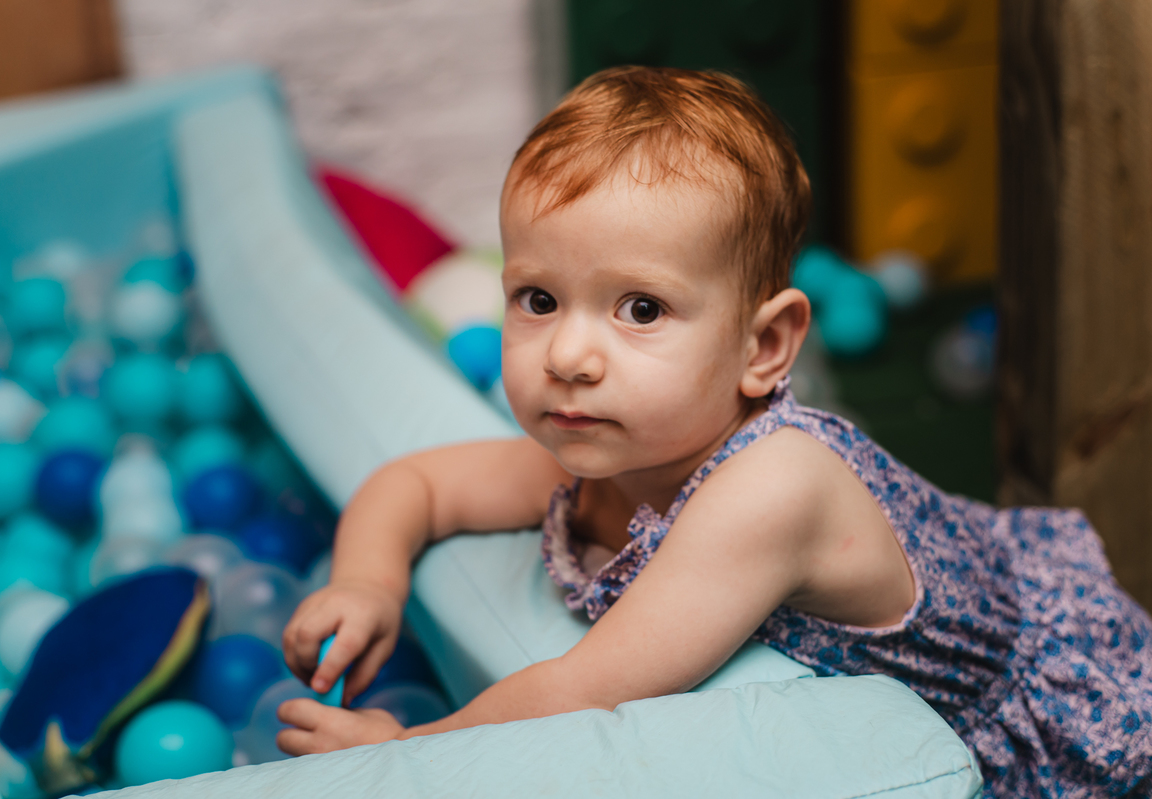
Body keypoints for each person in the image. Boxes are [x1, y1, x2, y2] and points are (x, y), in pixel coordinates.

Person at [276, 66, 1152, 797]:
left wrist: (405, 748)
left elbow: (583, 689)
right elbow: (417, 484)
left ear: (763, 347)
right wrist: (368, 582)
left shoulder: (773, 487)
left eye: (641, 309)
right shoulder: (610, 438)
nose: (569, 355)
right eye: (538, 298)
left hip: (1022, 716)